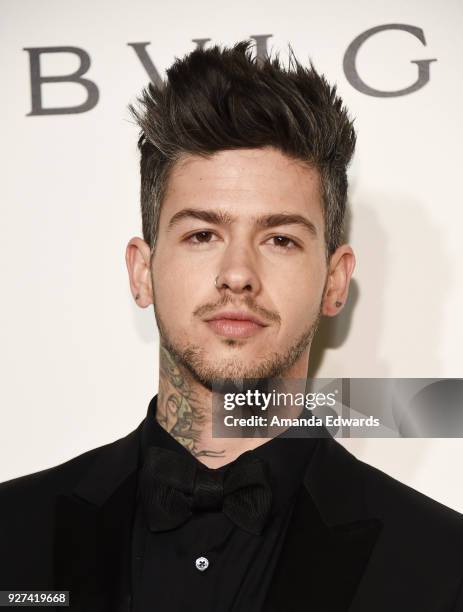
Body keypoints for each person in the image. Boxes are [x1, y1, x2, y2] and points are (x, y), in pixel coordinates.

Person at [1, 40, 462, 612]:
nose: (238, 274)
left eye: (281, 239)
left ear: (335, 281)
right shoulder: (12, 534)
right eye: (202, 235)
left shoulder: (443, 565)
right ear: (142, 272)